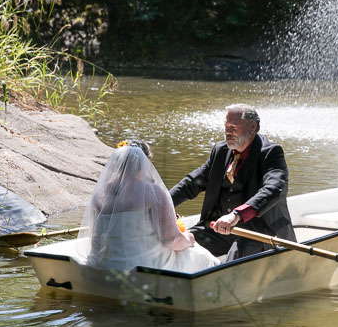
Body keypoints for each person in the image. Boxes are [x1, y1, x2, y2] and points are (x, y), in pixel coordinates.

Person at [170, 104, 296, 261]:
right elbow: (191, 183)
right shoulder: (220, 151)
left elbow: (273, 190)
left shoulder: (271, 153)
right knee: (181, 244)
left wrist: (236, 215)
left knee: (236, 257)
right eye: (226, 126)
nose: (228, 132)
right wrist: (164, 203)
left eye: (233, 127)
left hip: (259, 233)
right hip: (218, 230)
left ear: (252, 126)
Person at [77, 140, 219, 272]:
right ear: (145, 164)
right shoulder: (153, 193)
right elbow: (171, 240)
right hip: (141, 271)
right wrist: (189, 238)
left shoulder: (100, 193)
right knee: (200, 255)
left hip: (101, 267)